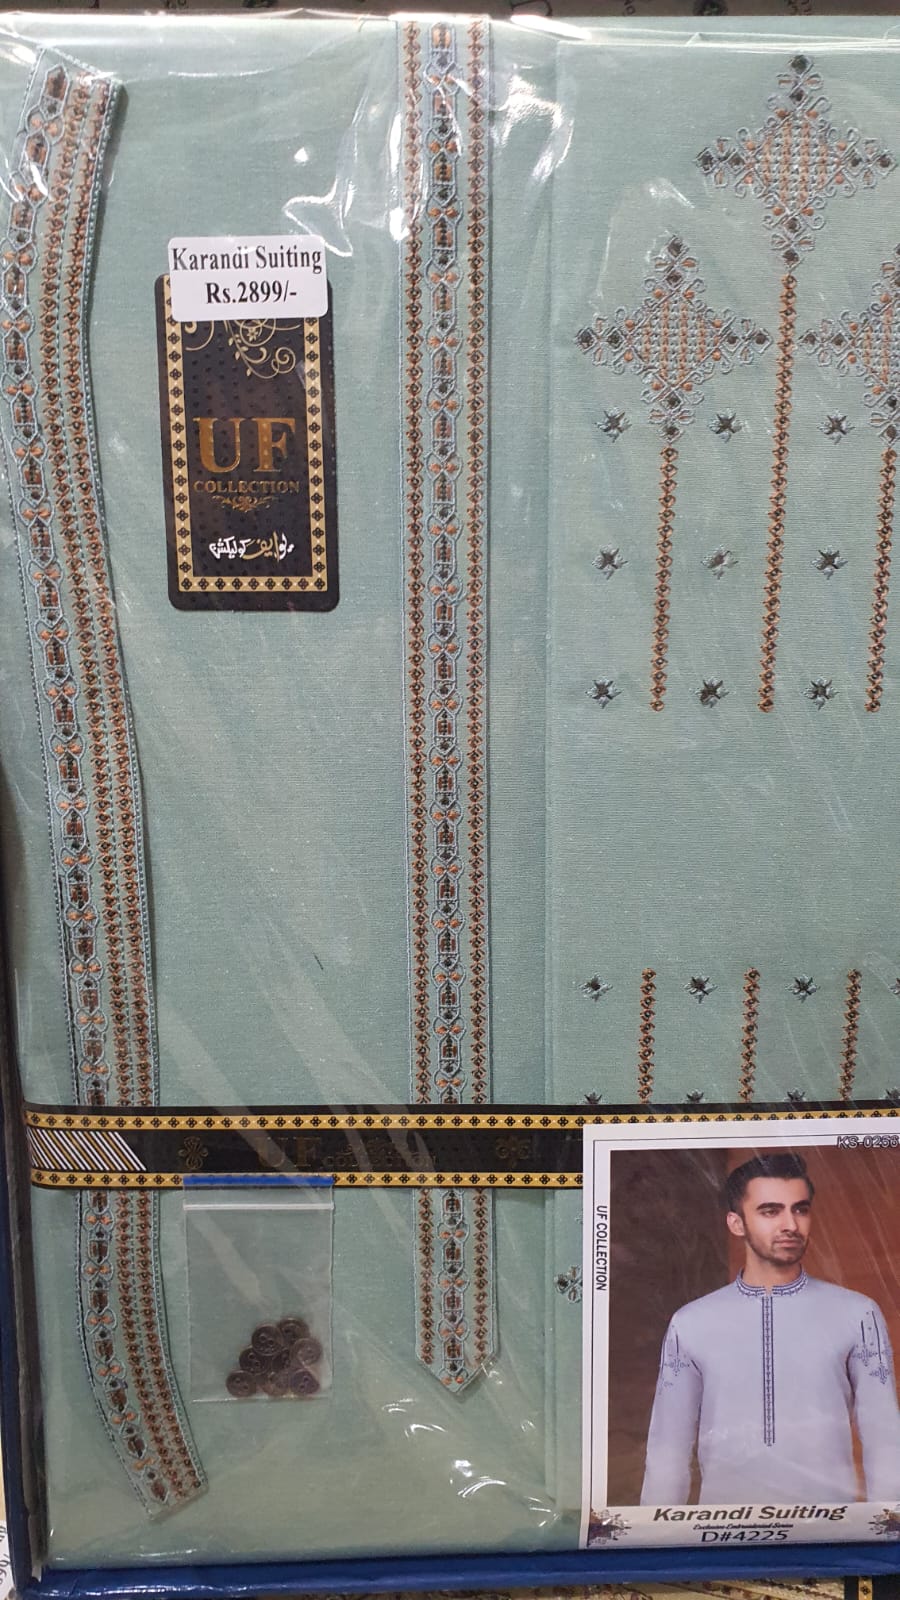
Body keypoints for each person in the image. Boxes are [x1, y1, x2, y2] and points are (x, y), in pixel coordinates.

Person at [640, 1151, 900, 1506]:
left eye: (800, 1209)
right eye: (770, 1211)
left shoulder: (857, 1314)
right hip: (724, 1530)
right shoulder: (692, 1322)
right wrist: (657, 1534)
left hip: (830, 1529)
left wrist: (885, 1532)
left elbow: (885, 1440)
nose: (790, 1224)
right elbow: (667, 1451)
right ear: (736, 1223)